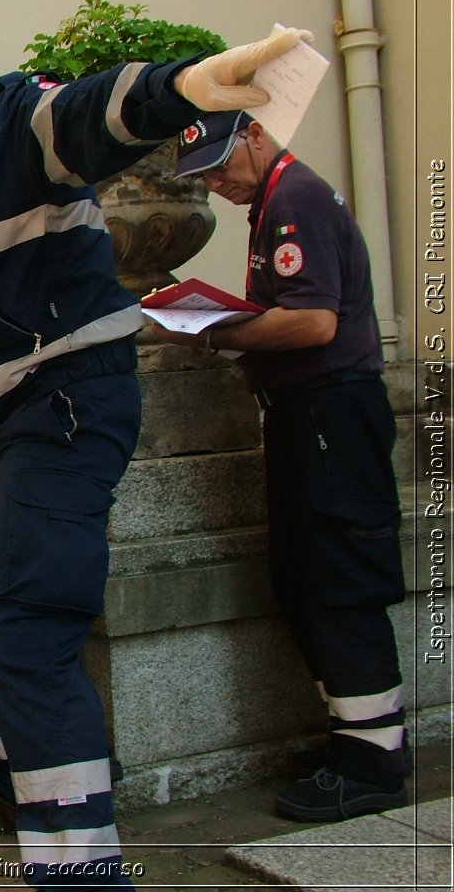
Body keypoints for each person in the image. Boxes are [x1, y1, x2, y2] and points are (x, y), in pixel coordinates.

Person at [0, 1, 308, 886]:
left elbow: (92, 112)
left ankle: (80, 866)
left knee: (28, 640)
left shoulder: (8, 124)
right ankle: (15, 768)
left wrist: (189, 86)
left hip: (63, 408)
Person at [158, 111, 407, 821]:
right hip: (311, 416)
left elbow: (313, 321)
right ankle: (357, 741)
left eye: (218, 164)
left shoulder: (293, 198)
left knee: (337, 579)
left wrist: (217, 328)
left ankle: (373, 762)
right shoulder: (277, 201)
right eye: (199, 174)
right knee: (306, 577)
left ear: (257, 136)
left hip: (331, 413)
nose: (212, 181)